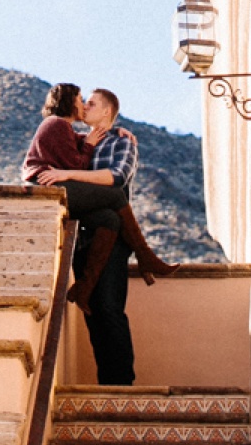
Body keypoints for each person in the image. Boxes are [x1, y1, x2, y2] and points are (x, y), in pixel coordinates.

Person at [30, 87, 165, 386]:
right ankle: (109, 384)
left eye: (91, 103)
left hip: (114, 238)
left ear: (106, 111)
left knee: (109, 307)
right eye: (83, 101)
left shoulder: (120, 141)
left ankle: (122, 384)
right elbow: (69, 157)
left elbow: (115, 179)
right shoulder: (78, 139)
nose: (85, 106)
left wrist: (68, 175)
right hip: (85, 235)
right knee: (92, 311)